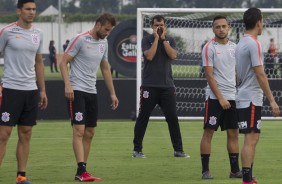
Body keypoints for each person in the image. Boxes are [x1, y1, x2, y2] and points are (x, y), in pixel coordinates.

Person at [60, 13, 119, 182]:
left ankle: (82, 171)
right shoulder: (79, 39)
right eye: (106, 29)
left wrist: (113, 93)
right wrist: (68, 85)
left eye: (110, 30)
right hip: (76, 90)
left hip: (91, 91)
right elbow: (63, 62)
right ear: (98, 25)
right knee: (79, 130)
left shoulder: (104, 42)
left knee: (90, 132)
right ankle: (81, 170)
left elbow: (105, 68)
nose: (108, 33)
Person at [0, 0, 48, 184]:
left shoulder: (39, 33)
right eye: (28, 9)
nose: (31, 12)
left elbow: (38, 62)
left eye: (34, 9)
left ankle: (21, 176)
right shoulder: (7, 32)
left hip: (31, 90)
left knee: (26, 133)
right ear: (19, 11)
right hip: (11, 89)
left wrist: (42, 90)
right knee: (3, 134)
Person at [132, 15, 189, 158]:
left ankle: (178, 150)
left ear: (165, 26)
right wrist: (156, 39)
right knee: (143, 117)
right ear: (152, 26)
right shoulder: (146, 40)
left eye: (161, 25)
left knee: (172, 118)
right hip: (149, 85)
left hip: (167, 86)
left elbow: (173, 56)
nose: (159, 27)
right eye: (156, 25)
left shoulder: (170, 40)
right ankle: (137, 150)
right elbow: (149, 56)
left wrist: (163, 39)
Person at [235, 8, 280, 184]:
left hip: (244, 95)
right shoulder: (254, 44)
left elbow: (239, 74)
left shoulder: (241, 43)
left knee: (252, 137)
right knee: (251, 138)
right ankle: (246, 180)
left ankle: (249, 176)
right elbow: (260, 73)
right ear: (259, 22)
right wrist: (272, 100)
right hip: (251, 97)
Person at [200, 15, 241, 180]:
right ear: (213, 29)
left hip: (232, 97)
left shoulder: (235, 48)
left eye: (224, 26)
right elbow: (209, 76)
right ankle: (205, 171)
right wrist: (221, 98)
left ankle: (234, 171)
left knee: (234, 133)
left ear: (229, 27)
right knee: (209, 132)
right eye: (218, 27)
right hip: (215, 98)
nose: (221, 29)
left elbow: (237, 72)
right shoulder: (209, 47)